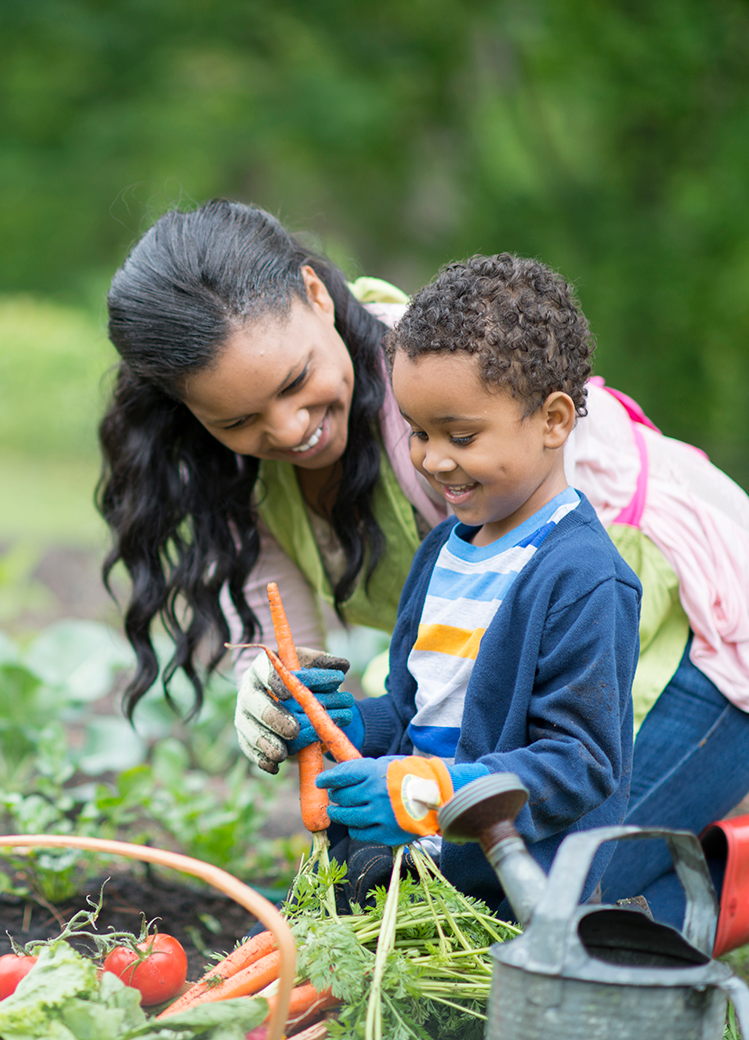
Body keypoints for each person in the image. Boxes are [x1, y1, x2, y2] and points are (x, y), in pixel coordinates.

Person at [100, 200, 749, 939]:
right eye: (238, 421)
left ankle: (727, 881)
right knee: (410, 908)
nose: (286, 431)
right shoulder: (257, 479)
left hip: (708, 643)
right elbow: (323, 659)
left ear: (318, 296)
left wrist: (428, 793)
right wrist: (290, 697)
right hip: (546, 698)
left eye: (293, 382)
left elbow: (574, 746)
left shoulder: (470, 415)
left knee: (515, 921)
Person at [258, 252, 642, 916]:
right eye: (418, 432)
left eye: (461, 436)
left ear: (553, 421)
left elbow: (579, 765)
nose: (433, 460)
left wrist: (423, 794)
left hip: (509, 895)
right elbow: (418, 713)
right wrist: (352, 722)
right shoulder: (443, 548)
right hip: (420, 868)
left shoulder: (584, 578)